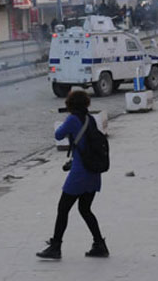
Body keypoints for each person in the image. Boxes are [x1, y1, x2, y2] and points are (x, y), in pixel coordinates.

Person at [36, 90, 108, 260]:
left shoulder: (72, 119)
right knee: (85, 209)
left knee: (63, 209)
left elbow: (58, 134)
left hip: (79, 173)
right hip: (93, 172)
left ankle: (55, 247)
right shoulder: (90, 119)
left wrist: (66, 121)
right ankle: (99, 244)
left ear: (70, 104)